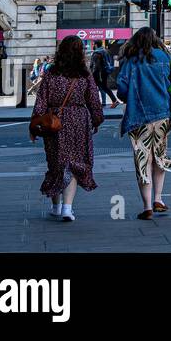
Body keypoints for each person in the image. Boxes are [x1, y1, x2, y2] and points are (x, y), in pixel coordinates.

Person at [32, 35, 104, 222]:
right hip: (79, 120)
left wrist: (36, 123)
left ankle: (56, 206)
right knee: (73, 163)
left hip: (54, 122)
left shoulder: (51, 74)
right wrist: (96, 120)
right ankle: (67, 208)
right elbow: (94, 100)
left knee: (56, 163)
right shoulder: (84, 75)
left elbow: (41, 101)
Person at [116, 26, 171, 221]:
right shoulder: (164, 57)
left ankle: (146, 206)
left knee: (142, 159)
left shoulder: (131, 61)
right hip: (162, 114)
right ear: (155, 40)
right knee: (159, 156)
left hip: (138, 116)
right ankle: (159, 198)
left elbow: (122, 90)